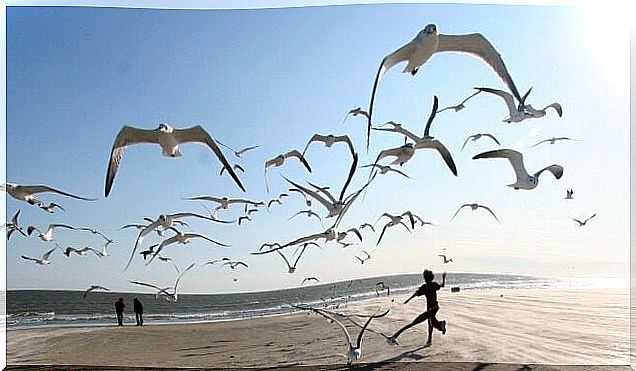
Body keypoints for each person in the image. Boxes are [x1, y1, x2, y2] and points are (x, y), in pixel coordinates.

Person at [387, 269, 447, 346]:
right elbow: (442, 285)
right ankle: (429, 341)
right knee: (430, 323)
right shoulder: (434, 284)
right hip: (435, 308)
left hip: (430, 310)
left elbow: (416, 293)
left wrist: (408, 299)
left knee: (414, 323)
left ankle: (394, 336)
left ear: (425, 278)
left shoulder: (425, 287)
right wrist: (443, 278)